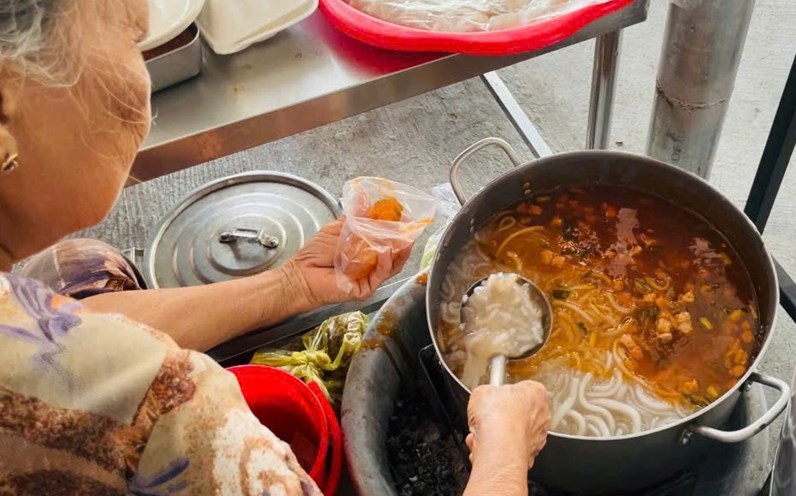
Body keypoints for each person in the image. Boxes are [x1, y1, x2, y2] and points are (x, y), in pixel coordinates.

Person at [0, 0, 552, 494]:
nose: (144, 83)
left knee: (83, 267)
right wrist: (504, 456)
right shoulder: (171, 407)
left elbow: (69, 328)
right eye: (129, 36)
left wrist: (289, 285)